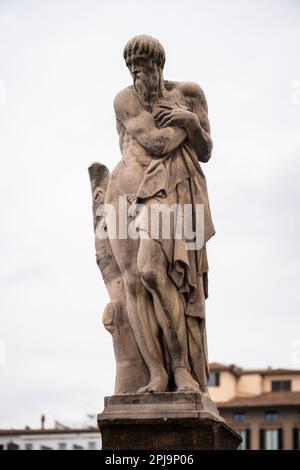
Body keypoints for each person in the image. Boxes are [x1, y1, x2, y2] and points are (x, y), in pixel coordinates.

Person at [105, 35, 215, 393]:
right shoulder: (125, 99)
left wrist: (191, 121)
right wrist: (184, 126)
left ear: (158, 65)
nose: (137, 76)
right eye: (131, 70)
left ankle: (181, 368)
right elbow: (156, 142)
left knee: (153, 271)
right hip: (123, 193)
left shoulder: (189, 93)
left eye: (143, 68)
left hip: (168, 190)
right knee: (133, 283)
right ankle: (156, 373)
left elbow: (206, 150)